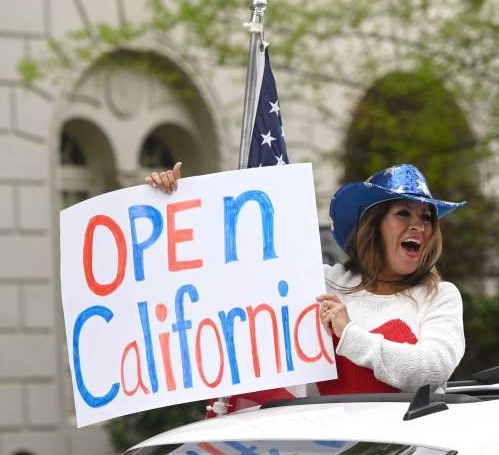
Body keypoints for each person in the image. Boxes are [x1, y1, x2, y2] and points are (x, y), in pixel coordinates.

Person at [146, 162, 466, 404]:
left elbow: (432, 369)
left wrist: (350, 335)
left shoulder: (440, 296)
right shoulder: (325, 282)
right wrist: (174, 206)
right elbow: (234, 277)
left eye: (426, 218)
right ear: (374, 226)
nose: (419, 227)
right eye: (403, 214)